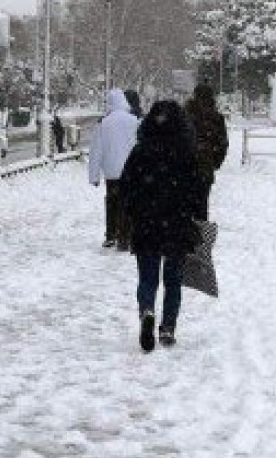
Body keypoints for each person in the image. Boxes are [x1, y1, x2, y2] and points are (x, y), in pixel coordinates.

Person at [120, 100, 203, 351]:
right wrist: (196, 219)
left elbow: (126, 186)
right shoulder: (187, 152)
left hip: (147, 222)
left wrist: (134, 212)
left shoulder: (141, 151)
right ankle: (168, 327)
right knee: (173, 280)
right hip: (177, 223)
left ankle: (147, 310)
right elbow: (198, 190)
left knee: (147, 277)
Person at [88, 89, 140, 250]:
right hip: (131, 171)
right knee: (129, 203)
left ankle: (111, 234)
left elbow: (96, 151)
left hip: (111, 172)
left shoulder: (104, 123)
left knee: (112, 202)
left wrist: (94, 176)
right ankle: (126, 235)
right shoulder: (134, 121)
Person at [185, 84, 228, 221]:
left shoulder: (185, 115)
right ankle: (201, 235)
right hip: (205, 166)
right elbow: (223, 144)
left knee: (184, 204)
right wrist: (215, 162)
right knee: (202, 204)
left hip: (185, 166)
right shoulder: (216, 118)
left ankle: (185, 236)